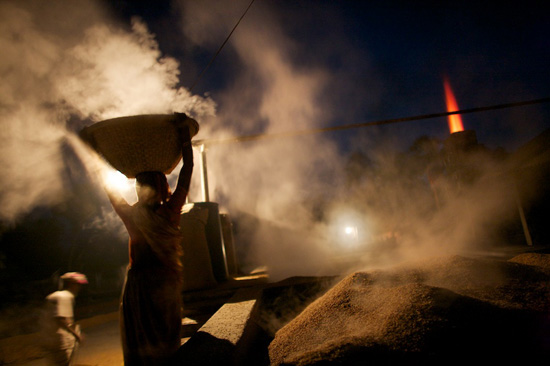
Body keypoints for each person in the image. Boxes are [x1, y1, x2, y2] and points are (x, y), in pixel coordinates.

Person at [106, 116, 194, 366]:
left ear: (139, 188)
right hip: (163, 283)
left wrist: (95, 153)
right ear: (162, 185)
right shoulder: (170, 211)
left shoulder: (131, 213)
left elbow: (108, 188)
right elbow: (187, 171)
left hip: (139, 285)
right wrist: (184, 136)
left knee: (141, 342)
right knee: (166, 342)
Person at [43, 272, 88, 366]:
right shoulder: (65, 297)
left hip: (50, 338)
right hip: (61, 340)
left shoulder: (56, 295)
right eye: (78, 285)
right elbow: (61, 320)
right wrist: (77, 335)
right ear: (71, 284)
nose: (79, 288)